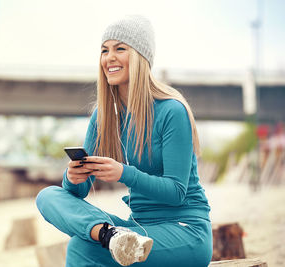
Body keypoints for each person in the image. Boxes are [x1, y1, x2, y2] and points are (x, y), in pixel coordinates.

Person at [36, 15, 213, 267]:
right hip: (137, 231)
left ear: (141, 58)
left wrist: (123, 173)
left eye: (120, 49)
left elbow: (176, 192)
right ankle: (110, 235)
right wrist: (74, 178)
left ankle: (113, 236)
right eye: (104, 50)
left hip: (185, 231)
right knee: (48, 196)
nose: (109, 57)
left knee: (82, 249)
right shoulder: (104, 116)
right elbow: (78, 194)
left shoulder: (171, 111)